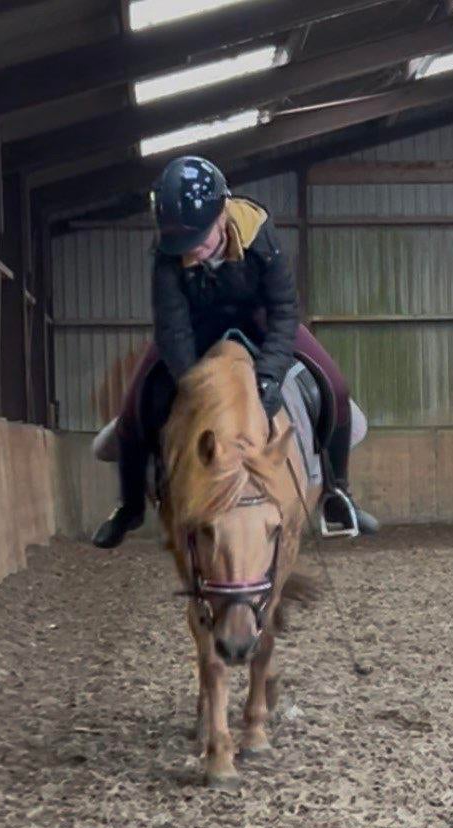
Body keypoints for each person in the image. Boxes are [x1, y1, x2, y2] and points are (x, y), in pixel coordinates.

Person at [93, 155, 378, 548]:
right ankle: (129, 506)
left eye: (200, 240)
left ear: (221, 215)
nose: (191, 253)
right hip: (194, 326)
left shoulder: (258, 232)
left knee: (334, 385)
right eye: (183, 246)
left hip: (260, 318)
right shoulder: (167, 252)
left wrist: (269, 374)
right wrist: (194, 384)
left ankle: (337, 493)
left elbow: (283, 309)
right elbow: (172, 328)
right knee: (133, 404)